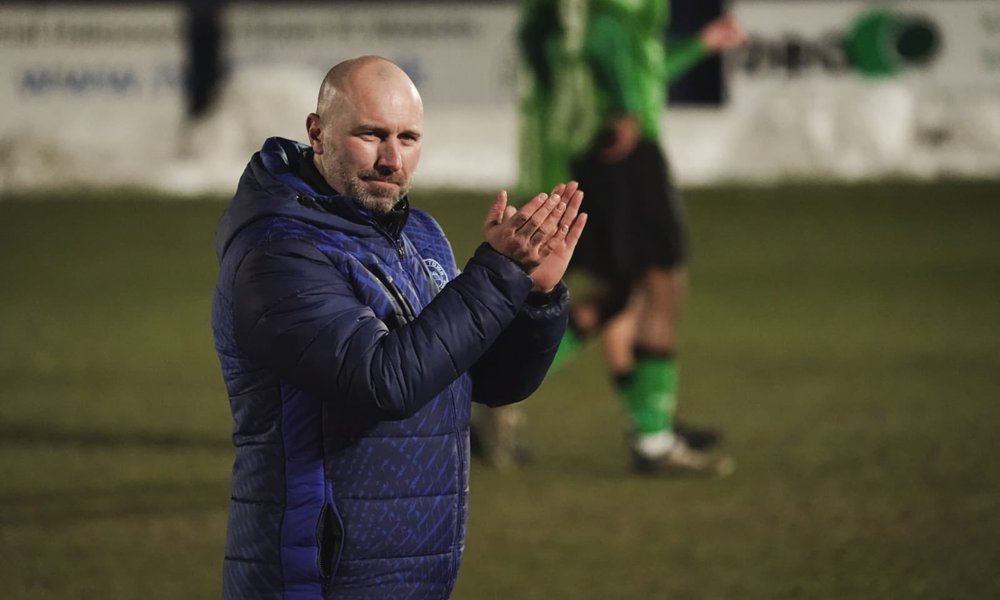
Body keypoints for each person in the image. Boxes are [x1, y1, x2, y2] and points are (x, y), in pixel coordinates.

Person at [211, 55, 586, 598]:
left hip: (412, 572)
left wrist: (533, 295)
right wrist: (497, 275)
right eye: (371, 135)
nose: (391, 159)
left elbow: (487, 381)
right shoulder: (278, 253)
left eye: (407, 138)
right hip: (315, 575)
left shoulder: (421, 235)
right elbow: (383, 381)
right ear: (317, 133)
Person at [513, 0, 747, 476]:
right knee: (663, 285)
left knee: (616, 293)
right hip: (627, 156)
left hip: (601, 153)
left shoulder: (594, 22)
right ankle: (653, 438)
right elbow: (603, 36)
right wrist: (625, 107)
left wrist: (702, 44)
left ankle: (497, 393)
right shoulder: (612, 16)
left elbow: (642, 66)